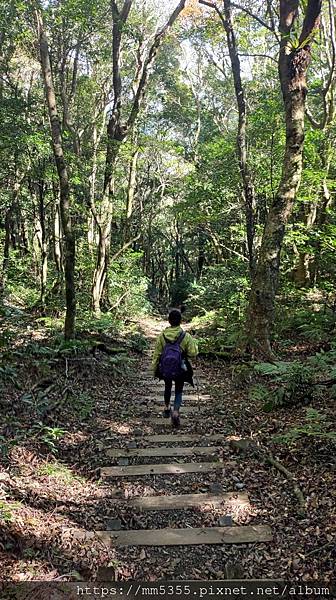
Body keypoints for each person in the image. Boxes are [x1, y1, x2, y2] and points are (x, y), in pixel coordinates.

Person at [152, 309, 198, 428]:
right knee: (178, 390)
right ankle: (176, 412)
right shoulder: (186, 336)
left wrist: (154, 369)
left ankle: (167, 407)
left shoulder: (162, 336)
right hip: (180, 368)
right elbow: (193, 353)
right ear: (180, 321)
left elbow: (157, 354)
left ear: (169, 321)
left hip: (166, 368)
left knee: (167, 387)